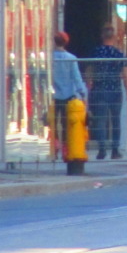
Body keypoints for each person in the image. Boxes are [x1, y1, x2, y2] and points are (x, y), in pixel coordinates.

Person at [86, 23, 127, 160]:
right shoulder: (118, 53)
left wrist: (89, 84)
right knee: (115, 121)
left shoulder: (96, 52)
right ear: (114, 37)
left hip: (99, 89)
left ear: (102, 36)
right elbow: (126, 75)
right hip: (115, 90)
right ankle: (115, 150)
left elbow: (89, 70)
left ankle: (102, 150)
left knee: (100, 121)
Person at [51, 31, 88, 160]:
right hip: (69, 95)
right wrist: (82, 93)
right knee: (67, 124)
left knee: (54, 123)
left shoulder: (50, 58)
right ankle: (66, 150)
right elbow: (76, 77)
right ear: (66, 42)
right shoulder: (71, 58)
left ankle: (54, 147)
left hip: (54, 95)